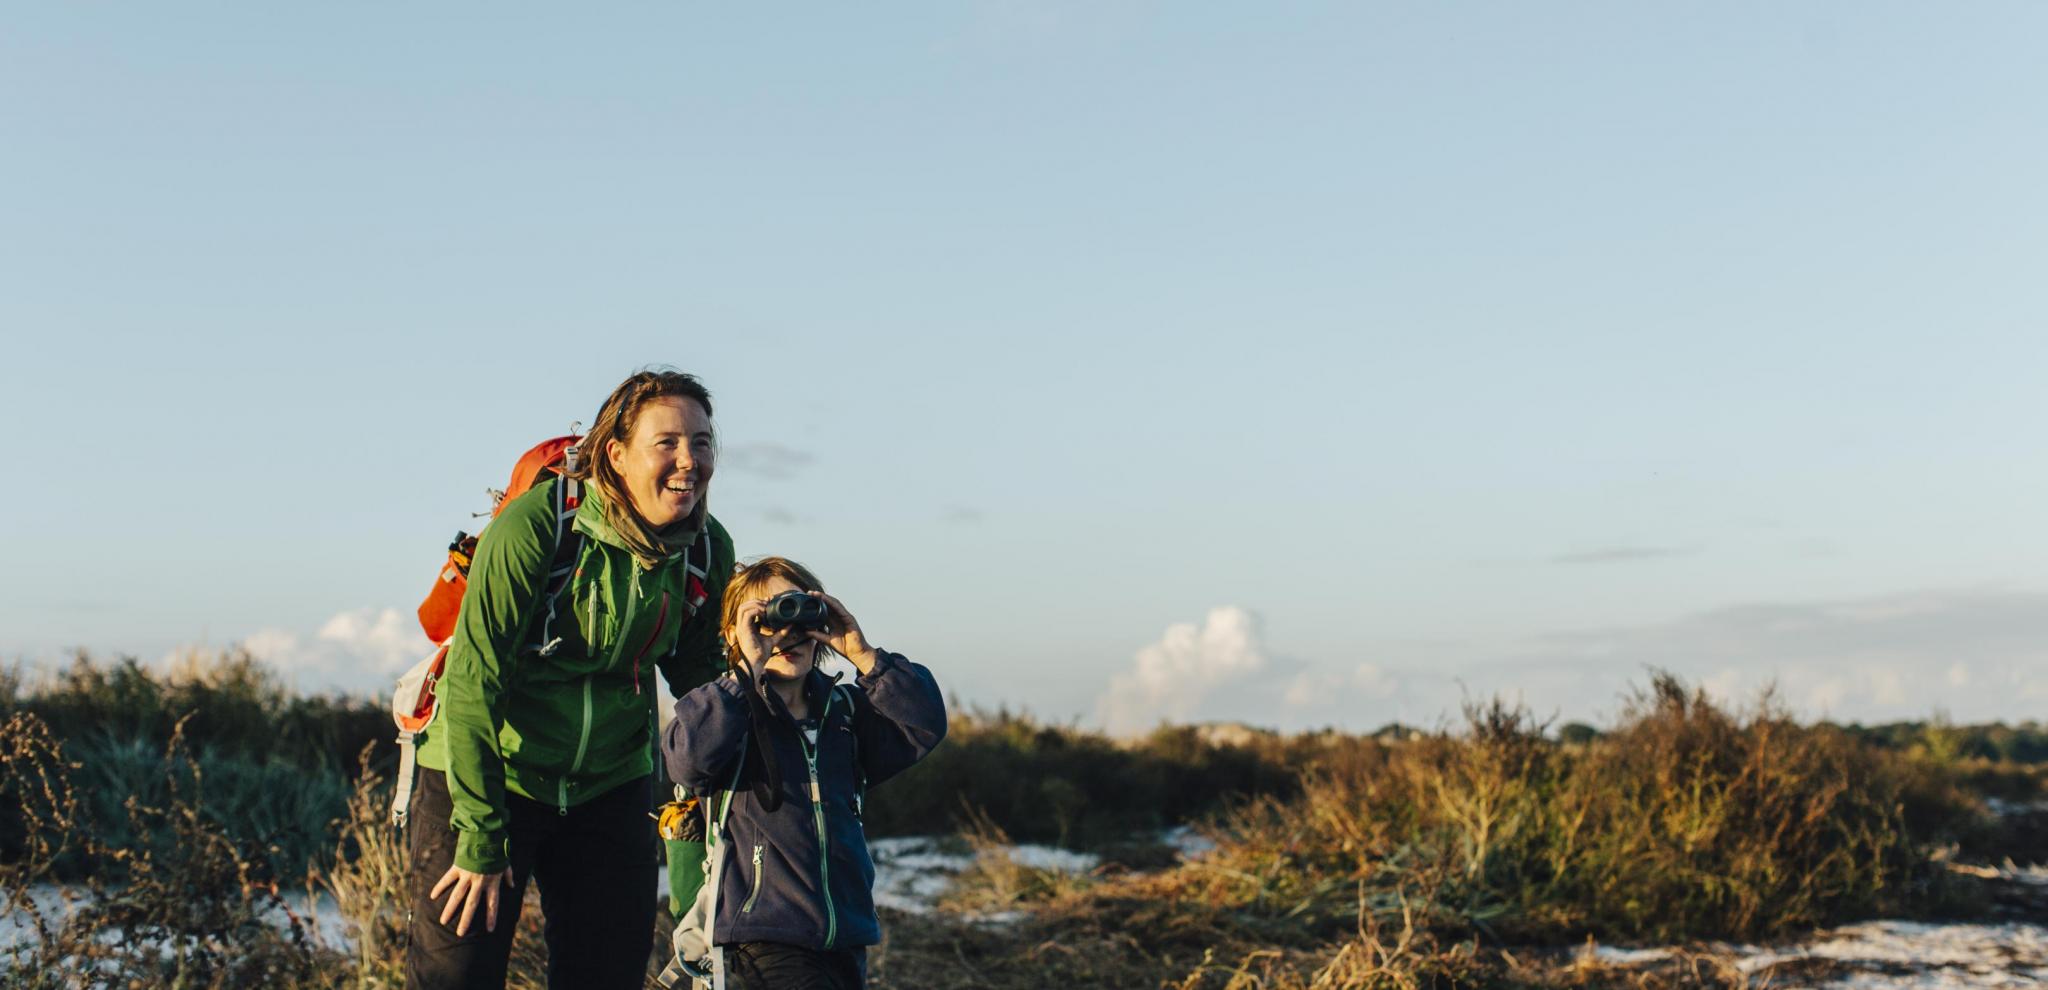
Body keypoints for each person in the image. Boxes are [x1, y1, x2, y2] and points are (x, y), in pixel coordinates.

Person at [406, 369, 737, 990]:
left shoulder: (706, 549)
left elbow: (701, 687)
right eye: (665, 442)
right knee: (458, 975)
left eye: (702, 441)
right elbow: (474, 684)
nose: (688, 461)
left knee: (605, 975)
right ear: (616, 454)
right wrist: (480, 835)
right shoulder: (536, 529)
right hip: (488, 773)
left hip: (611, 783)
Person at [663, 557, 946, 990]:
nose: (784, 632)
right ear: (735, 634)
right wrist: (744, 674)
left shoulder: (847, 714)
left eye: (796, 611)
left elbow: (924, 724)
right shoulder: (726, 714)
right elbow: (687, 760)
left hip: (844, 936)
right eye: (764, 618)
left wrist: (863, 653)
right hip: (760, 939)